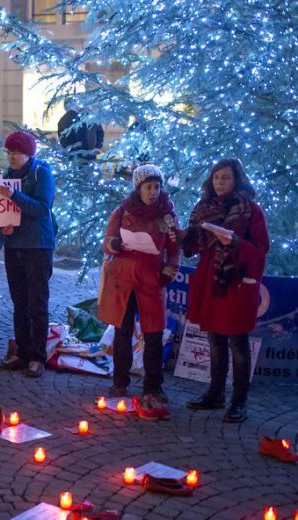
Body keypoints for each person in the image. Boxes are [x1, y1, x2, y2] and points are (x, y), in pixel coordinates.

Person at [179, 159, 269, 423]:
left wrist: (235, 243)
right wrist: (184, 236)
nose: (220, 182)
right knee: (215, 340)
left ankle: (239, 402)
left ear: (236, 180)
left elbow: (261, 249)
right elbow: (196, 245)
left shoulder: (249, 210)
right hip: (211, 281)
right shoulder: (203, 208)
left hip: (235, 282)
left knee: (238, 343)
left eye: (225, 178)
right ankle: (215, 394)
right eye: (216, 177)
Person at [97, 165, 179, 416]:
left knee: (153, 334)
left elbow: (174, 249)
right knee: (122, 331)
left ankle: (153, 386)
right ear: (138, 188)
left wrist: (169, 268)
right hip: (123, 279)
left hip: (151, 280)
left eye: (157, 187)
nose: (153, 192)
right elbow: (107, 242)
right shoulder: (122, 212)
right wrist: (117, 244)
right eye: (148, 187)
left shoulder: (166, 216)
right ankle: (120, 381)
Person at [0, 131, 56, 378]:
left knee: (37, 304)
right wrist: (2, 225)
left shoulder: (41, 173)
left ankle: (38, 356)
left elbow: (42, 208)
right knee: (19, 303)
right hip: (15, 246)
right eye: (8, 151)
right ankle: (22, 351)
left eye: (15, 152)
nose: (10, 156)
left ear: (28, 153)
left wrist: (14, 196)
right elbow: (5, 210)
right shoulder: (7, 175)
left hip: (38, 247)